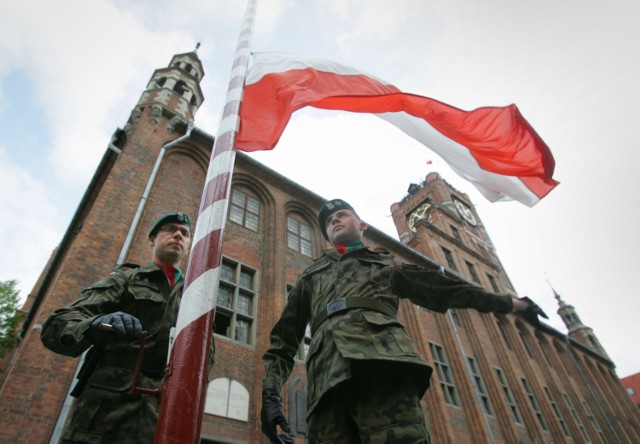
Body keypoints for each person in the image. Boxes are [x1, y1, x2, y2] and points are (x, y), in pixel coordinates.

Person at [260, 199, 545, 443]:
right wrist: (271, 395)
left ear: (362, 226)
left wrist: (513, 304)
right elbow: (283, 341)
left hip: (383, 372)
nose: (334, 220)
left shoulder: (387, 265)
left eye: (342, 215)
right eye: (329, 221)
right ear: (326, 236)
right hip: (326, 389)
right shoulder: (310, 276)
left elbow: (447, 290)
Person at [41, 212, 197, 443]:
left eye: (184, 233)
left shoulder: (194, 295)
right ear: (152, 239)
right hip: (106, 413)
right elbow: (58, 323)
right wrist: (96, 325)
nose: (178, 235)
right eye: (170, 229)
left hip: (161, 415)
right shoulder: (127, 277)